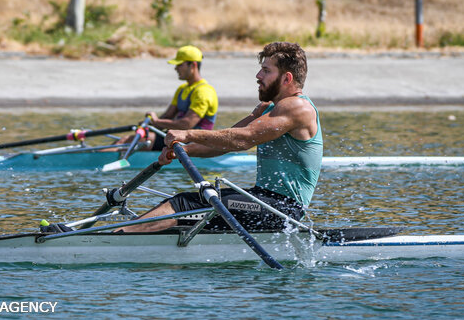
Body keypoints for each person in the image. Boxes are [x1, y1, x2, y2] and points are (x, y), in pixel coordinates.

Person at [116, 42, 322, 233]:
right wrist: (182, 151)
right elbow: (223, 144)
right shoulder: (271, 109)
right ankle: (128, 237)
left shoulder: (297, 107)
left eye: (266, 71)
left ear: (286, 78)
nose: (258, 75)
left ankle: (116, 238)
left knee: (184, 205)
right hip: (262, 202)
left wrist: (188, 134)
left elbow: (243, 139)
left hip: (281, 210)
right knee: (188, 211)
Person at [117, 45, 219, 151]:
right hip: (178, 137)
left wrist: (156, 121)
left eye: (179, 65)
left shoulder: (204, 91)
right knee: (125, 140)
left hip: (195, 141)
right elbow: (168, 116)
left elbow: (186, 124)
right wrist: (148, 125)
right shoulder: (182, 89)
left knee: (127, 141)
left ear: (192, 65)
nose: (175, 68)